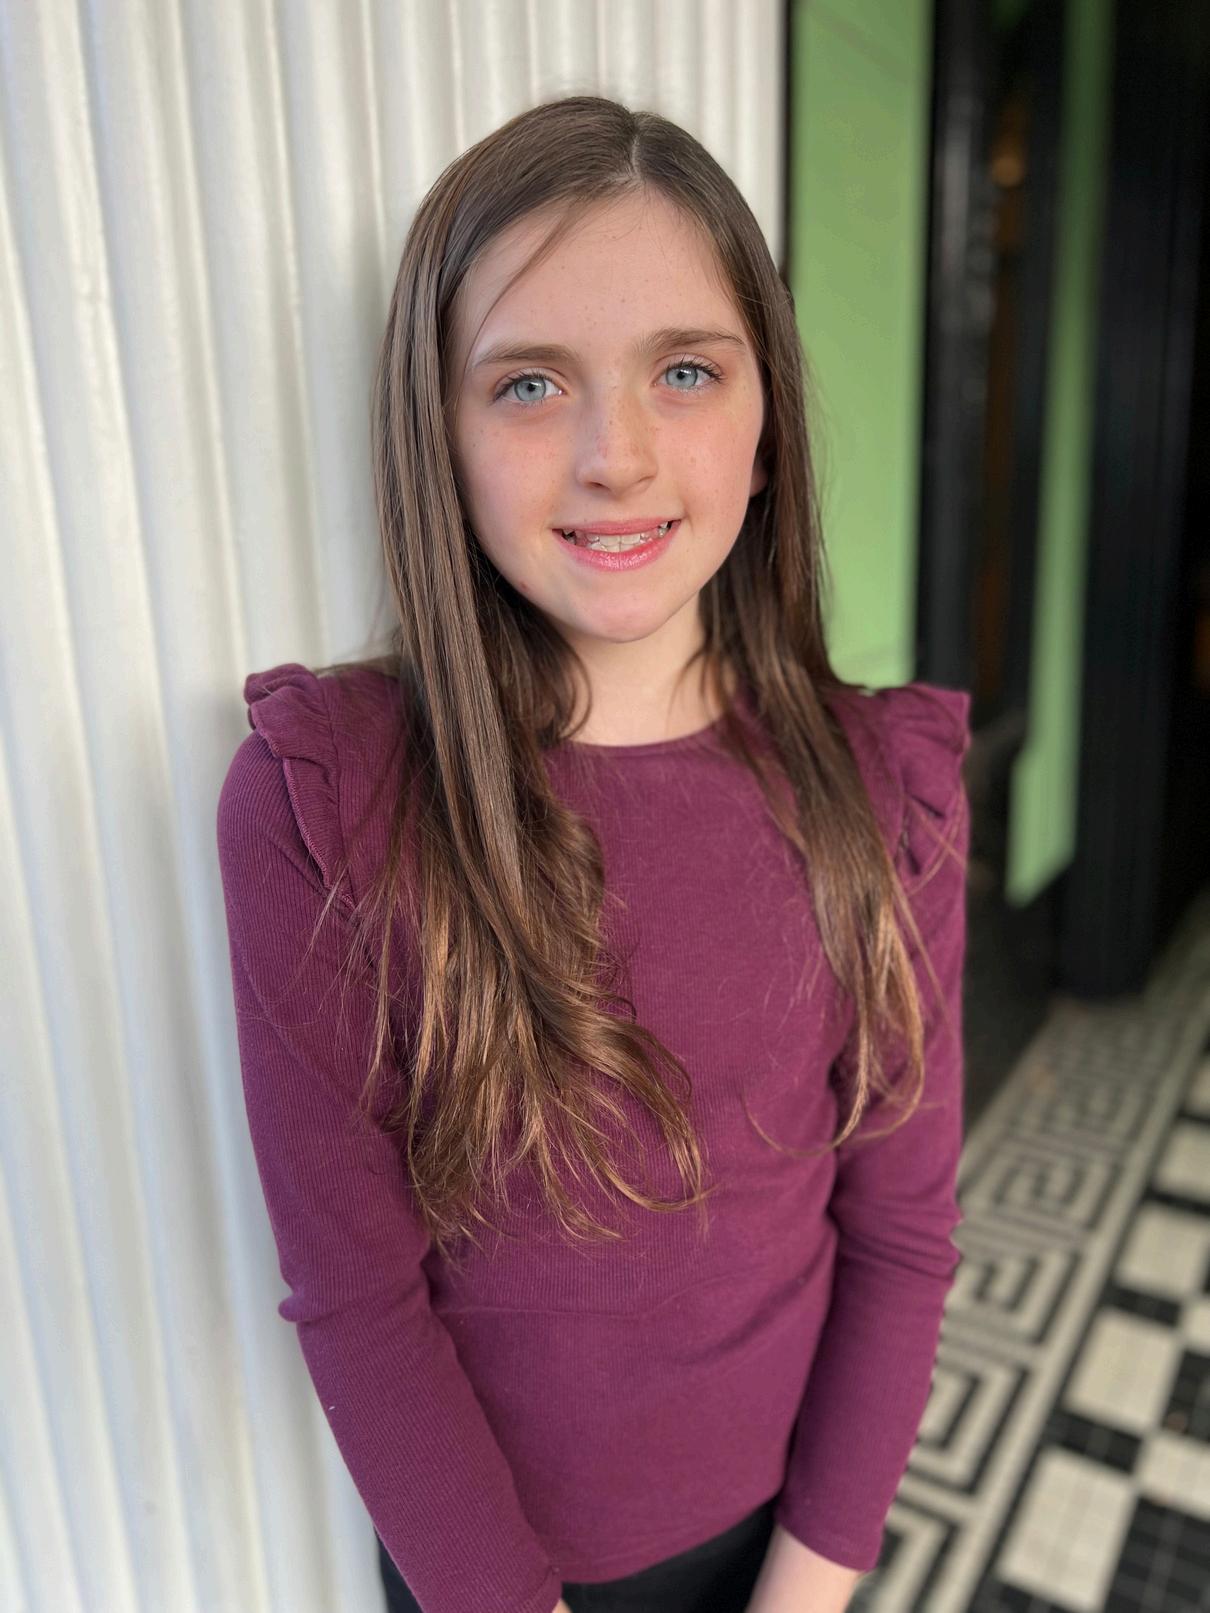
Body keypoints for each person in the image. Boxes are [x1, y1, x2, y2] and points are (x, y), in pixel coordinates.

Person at [215, 93, 972, 1613]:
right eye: (528, 384)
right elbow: (358, 1297)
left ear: (766, 427)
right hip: (490, 1576)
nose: (613, 455)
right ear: (438, 439)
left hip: (791, 1551)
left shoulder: (880, 793)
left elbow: (899, 1234)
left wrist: (807, 1589)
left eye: (684, 371)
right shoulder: (326, 802)